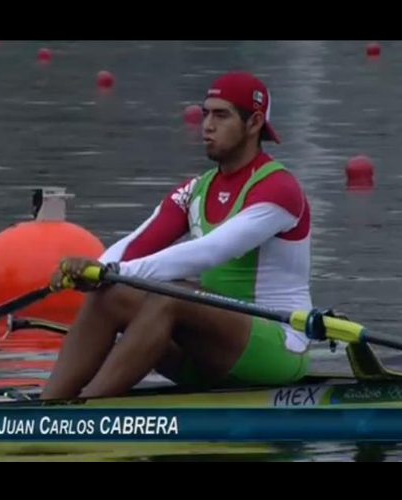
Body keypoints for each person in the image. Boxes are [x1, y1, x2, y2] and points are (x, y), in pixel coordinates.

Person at [42, 71, 313, 400]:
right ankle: (50, 404)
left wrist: (117, 273)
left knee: (171, 294)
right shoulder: (195, 190)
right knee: (109, 295)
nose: (207, 125)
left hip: (277, 350)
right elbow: (136, 245)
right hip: (212, 348)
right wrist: (95, 270)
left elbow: (211, 251)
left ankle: (88, 411)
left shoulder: (279, 189)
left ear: (254, 123)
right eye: (205, 113)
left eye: (221, 115)